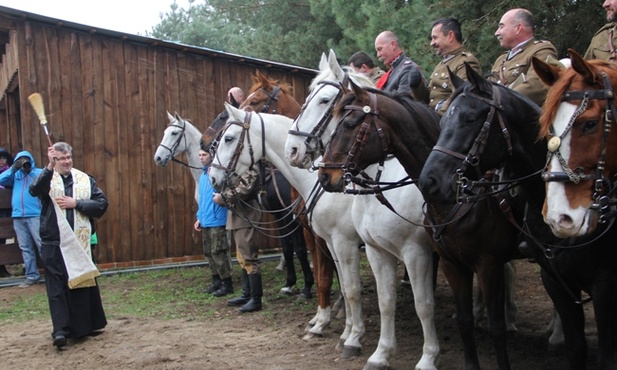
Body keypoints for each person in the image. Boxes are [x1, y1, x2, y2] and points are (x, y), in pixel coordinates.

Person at [29, 142, 108, 348]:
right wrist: (48, 167)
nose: (65, 162)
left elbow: (101, 205)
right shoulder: (47, 178)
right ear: (55, 160)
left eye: (68, 158)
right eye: (61, 158)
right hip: (53, 241)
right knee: (56, 287)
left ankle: (82, 327)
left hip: (79, 242)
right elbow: (34, 190)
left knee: (80, 282)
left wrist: (77, 204)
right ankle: (60, 331)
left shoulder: (84, 179)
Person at [488, 8, 557, 107]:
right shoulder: (501, 59)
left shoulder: (542, 50)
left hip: (526, 118)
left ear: (518, 28)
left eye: (501, 27)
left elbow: (537, 86)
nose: (497, 33)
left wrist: (499, 101)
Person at [0, 151, 43, 287]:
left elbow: (48, 179)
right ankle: (31, 275)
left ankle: (54, 274)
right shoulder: (15, 175)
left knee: (42, 245)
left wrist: (30, 170)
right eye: (20, 160)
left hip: (35, 214)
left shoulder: (38, 173)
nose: (24, 163)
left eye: (26, 160)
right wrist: (13, 168)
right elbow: (1, 179)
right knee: (25, 247)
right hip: (18, 216)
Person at [194, 149, 233, 296]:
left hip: (217, 221)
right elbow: (202, 200)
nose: (201, 158)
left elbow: (224, 197)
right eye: (199, 155)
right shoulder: (203, 177)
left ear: (211, 156)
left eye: (204, 155)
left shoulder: (218, 176)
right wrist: (199, 217)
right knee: (208, 253)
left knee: (219, 252)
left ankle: (227, 283)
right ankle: (216, 281)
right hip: (205, 221)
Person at [428, 17, 483, 115]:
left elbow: (462, 97)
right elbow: (428, 96)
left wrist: (436, 117)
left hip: (446, 121)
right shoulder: (442, 64)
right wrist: (416, 86)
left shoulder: (466, 61)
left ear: (450, 36)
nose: (432, 43)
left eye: (435, 38)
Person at [374, 30, 429, 102]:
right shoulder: (395, 69)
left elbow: (404, 104)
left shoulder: (408, 69)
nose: (378, 55)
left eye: (380, 49)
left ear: (392, 45)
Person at [0, 147, 13, 277]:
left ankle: (2, 267)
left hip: (7, 213)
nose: (1, 161)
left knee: (2, 239)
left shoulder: (11, 172)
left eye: (3, 158)